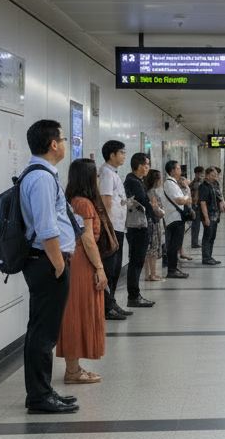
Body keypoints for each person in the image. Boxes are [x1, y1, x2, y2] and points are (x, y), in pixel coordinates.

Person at [18, 119, 82, 414]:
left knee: (41, 331)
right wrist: (58, 264)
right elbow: (46, 227)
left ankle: (42, 391)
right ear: (53, 144)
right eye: (64, 139)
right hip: (47, 263)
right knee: (43, 334)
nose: (66, 144)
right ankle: (40, 397)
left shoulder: (42, 174)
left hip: (45, 262)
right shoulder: (42, 178)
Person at [59, 158, 107, 384]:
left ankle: (74, 368)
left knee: (72, 314)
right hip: (82, 262)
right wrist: (99, 267)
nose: (97, 179)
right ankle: (72, 372)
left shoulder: (70, 200)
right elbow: (88, 239)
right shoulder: (84, 204)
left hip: (72, 260)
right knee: (79, 313)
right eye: (95, 175)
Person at [98, 140, 131, 321]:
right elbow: (105, 201)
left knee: (116, 268)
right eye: (122, 153)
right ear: (112, 155)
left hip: (118, 226)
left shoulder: (113, 173)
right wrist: (108, 228)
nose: (124, 156)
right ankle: (106, 306)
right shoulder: (106, 174)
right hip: (112, 227)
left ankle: (111, 302)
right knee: (111, 268)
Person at [123, 152, 156, 307]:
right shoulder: (134, 181)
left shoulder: (135, 180)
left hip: (137, 227)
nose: (147, 168)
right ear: (139, 165)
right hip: (138, 227)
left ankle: (134, 295)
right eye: (146, 165)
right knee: (136, 262)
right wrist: (155, 214)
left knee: (137, 261)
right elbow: (143, 202)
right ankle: (134, 296)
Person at [161, 159, 190, 278]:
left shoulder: (173, 182)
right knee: (174, 245)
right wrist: (187, 197)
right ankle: (172, 270)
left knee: (175, 245)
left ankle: (174, 268)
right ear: (172, 171)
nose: (180, 171)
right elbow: (179, 200)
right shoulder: (169, 183)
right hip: (174, 218)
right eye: (178, 168)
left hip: (177, 217)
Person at [198, 166, 225, 265]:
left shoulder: (212, 185)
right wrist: (206, 218)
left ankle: (209, 256)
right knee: (207, 236)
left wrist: (222, 206)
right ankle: (206, 258)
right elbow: (203, 203)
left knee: (212, 236)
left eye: (216, 175)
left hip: (215, 216)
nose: (215, 177)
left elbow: (218, 198)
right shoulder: (203, 187)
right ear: (207, 175)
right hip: (209, 216)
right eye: (213, 175)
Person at [143, 168, 166, 282]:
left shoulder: (146, 191)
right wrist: (162, 212)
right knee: (152, 250)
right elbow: (155, 209)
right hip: (153, 223)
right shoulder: (152, 193)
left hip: (148, 222)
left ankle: (148, 274)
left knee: (148, 250)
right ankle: (152, 274)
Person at [189, 166, 205, 248]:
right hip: (198, 205)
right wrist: (195, 203)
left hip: (195, 205)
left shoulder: (193, 182)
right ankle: (195, 242)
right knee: (198, 224)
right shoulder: (199, 182)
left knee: (196, 224)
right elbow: (196, 194)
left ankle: (194, 242)